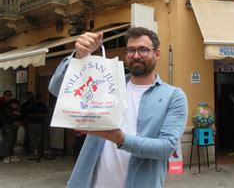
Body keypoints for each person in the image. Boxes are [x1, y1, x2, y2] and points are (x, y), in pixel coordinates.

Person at [48, 27, 188, 187]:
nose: (136, 55)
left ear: (157, 54)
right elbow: (56, 88)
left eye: (143, 50)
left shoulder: (174, 96)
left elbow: (166, 148)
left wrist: (121, 139)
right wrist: (79, 56)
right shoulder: (107, 84)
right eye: (131, 50)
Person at [2, 99, 22, 163]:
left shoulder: (14, 110)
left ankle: (11, 156)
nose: (17, 106)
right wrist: (14, 121)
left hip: (13, 127)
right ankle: (5, 157)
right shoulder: (7, 109)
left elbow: (19, 117)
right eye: (16, 104)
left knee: (12, 142)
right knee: (8, 142)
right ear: (12, 104)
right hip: (8, 127)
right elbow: (10, 118)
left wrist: (18, 114)